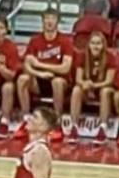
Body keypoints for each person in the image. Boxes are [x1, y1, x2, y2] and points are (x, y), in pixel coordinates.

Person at [15, 10, 74, 142]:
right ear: (42, 21)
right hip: (38, 79)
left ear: (57, 22)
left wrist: (41, 65)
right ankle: (26, 121)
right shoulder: (35, 40)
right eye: (47, 18)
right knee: (22, 79)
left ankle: (57, 124)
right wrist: (39, 73)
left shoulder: (65, 41)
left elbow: (65, 68)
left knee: (57, 82)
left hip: (59, 79)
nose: (49, 21)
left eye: (52, 18)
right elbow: (27, 65)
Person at [67, 31, 116, 143]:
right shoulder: (82, 56)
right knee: (76, 89)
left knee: (105, 91)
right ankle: (74, 127)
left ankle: (102, 128)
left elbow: (109, 81)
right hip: (87, 88)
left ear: (103, 45)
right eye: (93, 43)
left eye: (98, 43)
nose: (96, 46)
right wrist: (85, 84)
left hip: (103, 88)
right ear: (88, 44)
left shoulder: (110, 57)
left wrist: (93, 85)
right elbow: (78, 79)